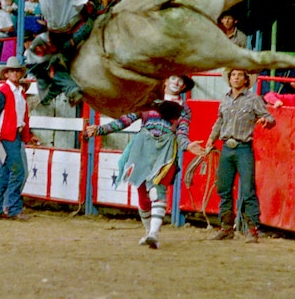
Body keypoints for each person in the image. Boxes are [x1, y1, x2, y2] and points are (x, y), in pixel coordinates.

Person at [84, 76, 205, 248]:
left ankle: (154, 233)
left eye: (180, 81)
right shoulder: (148, 100)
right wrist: (100, 129)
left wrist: (188, 145)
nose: (176, 82)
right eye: (173, 78)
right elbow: (125, 120)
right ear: (164, 81)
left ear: (184, 86)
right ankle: (149, 233)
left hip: (165, 149)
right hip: (143, 145)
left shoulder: (184, 109)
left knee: (157, 189)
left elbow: (182, 132)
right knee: (142, 193)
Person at [205, 68, 276, 243]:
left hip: (243, 147)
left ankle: (252, 229)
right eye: (233, 75)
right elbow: (219, 121)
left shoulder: (253, 99)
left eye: (239, 75)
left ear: (246, 80)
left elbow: (270, 117)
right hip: (227, 148)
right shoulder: (225, 99)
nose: (236, 78)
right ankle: (226, 227)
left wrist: (265, 121)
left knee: (247, 189)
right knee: (223, 188)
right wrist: (210, 140)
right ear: (229, 79)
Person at [0, 57, 37, 221]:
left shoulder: (16, 93)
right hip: (7, 136)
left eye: (17, 71)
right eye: (12, 71)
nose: (15, 73)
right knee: (18, 172)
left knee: (5, 173)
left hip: (11, 135)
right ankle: (13, 208)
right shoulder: (4, 93)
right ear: (7, 73)